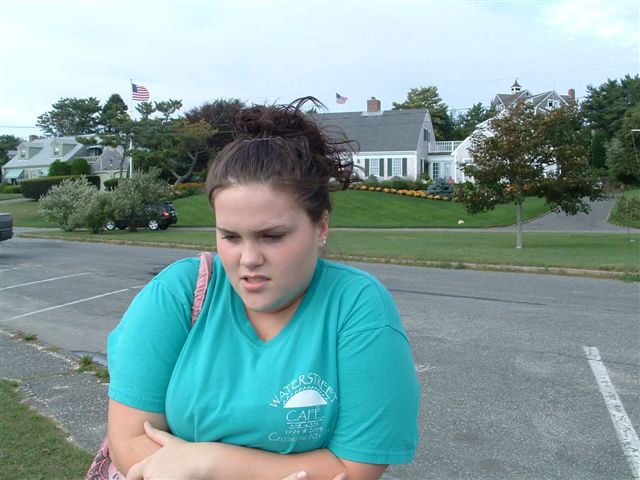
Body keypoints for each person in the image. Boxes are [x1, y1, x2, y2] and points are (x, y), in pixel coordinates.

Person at [106, 97, 420, 480]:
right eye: (230, 236)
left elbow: (355, 467)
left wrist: (208, 462)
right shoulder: (178, 292)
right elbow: (130, 443)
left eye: (271, 236)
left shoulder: (357, 306)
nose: (248, 259)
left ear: (321, 226)